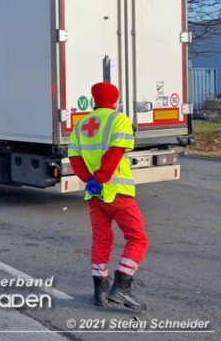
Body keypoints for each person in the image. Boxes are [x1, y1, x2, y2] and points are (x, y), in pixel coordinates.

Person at [68, 81, 148, 311]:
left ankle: (100, 291)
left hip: (95, 194)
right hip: (117, 191)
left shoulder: (80, 124)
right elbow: (115, 152)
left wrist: (89, 180)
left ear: (94, 99)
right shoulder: (119, 119)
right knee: (138, 238)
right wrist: (101, 178)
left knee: (102, 239)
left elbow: (74, 157)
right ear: (115, 98)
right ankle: (122, 285)